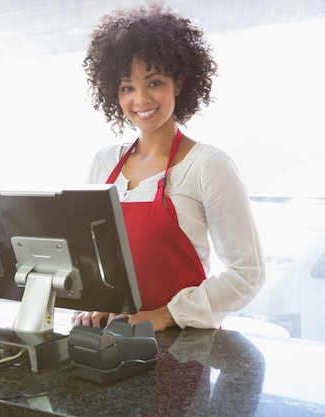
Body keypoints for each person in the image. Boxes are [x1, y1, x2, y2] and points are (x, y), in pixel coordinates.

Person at [73, 4, 265, 332]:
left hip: (184, 347)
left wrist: (166, 314)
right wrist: (95, 302)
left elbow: (247, 273)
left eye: (154, 82)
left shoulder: (208, 166)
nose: (141, 99)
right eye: (127, 87)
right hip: (115, 340)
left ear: (178, 82)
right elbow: (93, 259)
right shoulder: (104, 163)